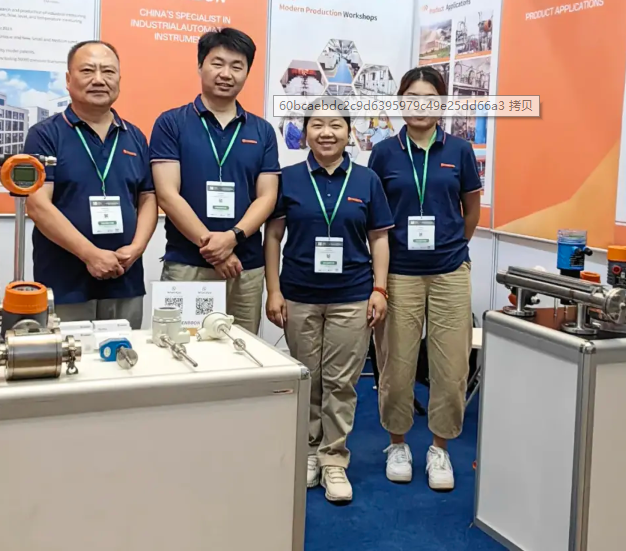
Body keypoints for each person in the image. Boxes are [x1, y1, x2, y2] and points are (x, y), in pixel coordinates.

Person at [265, 102, 393, 504]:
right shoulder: (288, 178)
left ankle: (334, 458)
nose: (326, 132)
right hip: (299, 294)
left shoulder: (367, 180)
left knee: (341, 381)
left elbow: (379, 238)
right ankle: (308, 450)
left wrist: (379, 289)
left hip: (351, 296)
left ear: (349, 132)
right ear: (305, 132)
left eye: (335, 125)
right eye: (317, 124)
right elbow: (273, 237)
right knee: (309, 376)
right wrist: (273, 290)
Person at [368, 66, 481, 491]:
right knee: (395, 366)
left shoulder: (460, 151)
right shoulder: (384, 153)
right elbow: (374, 218)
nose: (420, 105)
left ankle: (440, 448)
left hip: (449, 271)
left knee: (451, 367)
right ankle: (397, 444)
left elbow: (471, 210)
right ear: (400, 101)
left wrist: (452, 246)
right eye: (411, 97)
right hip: (399, 273)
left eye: (430, 98)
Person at [150, 28, 279, 335]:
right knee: (180, 347)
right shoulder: (171, 123)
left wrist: (232, 238)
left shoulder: (262, 131)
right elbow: (167, 194)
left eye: (237, 66)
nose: (226, 74)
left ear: (247, 72)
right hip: (188, 262)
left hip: (245, 266)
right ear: (200, 66)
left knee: (241, 349)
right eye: (217, 63)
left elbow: (267, 197)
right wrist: (212, 248)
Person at [23, 40, 157, 327]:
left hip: (125, 279)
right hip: (65, 283)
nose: (99, 79)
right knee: (68, 353)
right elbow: (37, 205)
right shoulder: (45, 135)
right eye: (87, 70)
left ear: (119, 79)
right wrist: (91, 255)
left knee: (126, 351)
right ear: (68, 79)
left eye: (108, 71)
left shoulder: (135, 136)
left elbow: (147, 197)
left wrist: (137, 248)